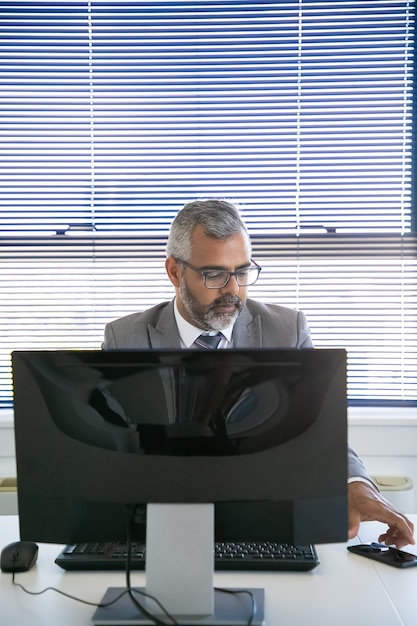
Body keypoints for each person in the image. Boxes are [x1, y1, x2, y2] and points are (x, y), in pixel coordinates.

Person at [103, 198, 415, 548]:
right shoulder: (126, 337)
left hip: (267, 522)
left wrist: (356, 485)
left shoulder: (287, 330)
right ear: (175, 271)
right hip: (163, 527)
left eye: (242, 271)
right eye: (215, 274)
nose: (233, 290)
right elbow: (114, 449)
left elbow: (319, 429)